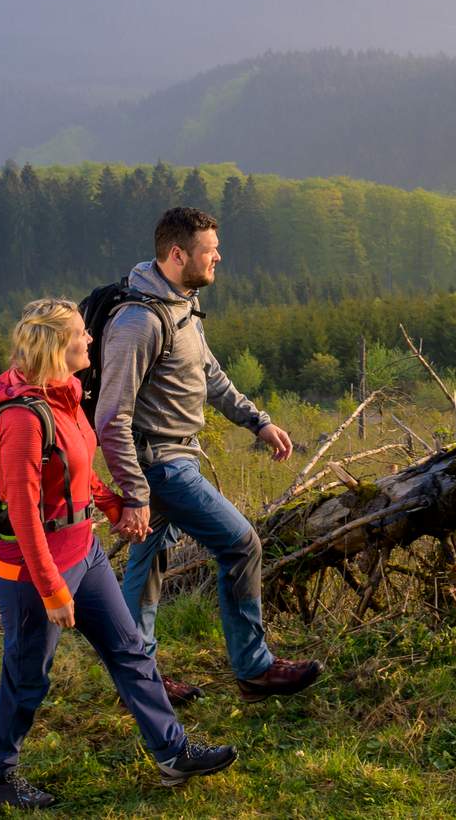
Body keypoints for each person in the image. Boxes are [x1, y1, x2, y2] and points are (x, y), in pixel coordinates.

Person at [0, 298, 236, 809]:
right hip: (30, 572)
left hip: (84, 553)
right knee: (27, 679)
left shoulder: (65, 394)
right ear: (55, 345)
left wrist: (112, 505)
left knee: (130, 650)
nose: (90, 339)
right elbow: (23, 512)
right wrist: (51, 590)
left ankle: (172, 754)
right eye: (79, 334)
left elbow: (76, 467)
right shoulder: (22, 419)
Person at [96, 207, 322, 703]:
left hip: (177, 457)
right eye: (208, 250)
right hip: (160, 465)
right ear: (178, 255)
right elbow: (111, 416)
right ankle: (255, 668)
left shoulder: (182, 304)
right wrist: (135, 492)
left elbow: (210, 374)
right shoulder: (138, 322)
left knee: (147, 561)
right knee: (242, 545)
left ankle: (138, 678)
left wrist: (257, 421)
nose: (218, 256)